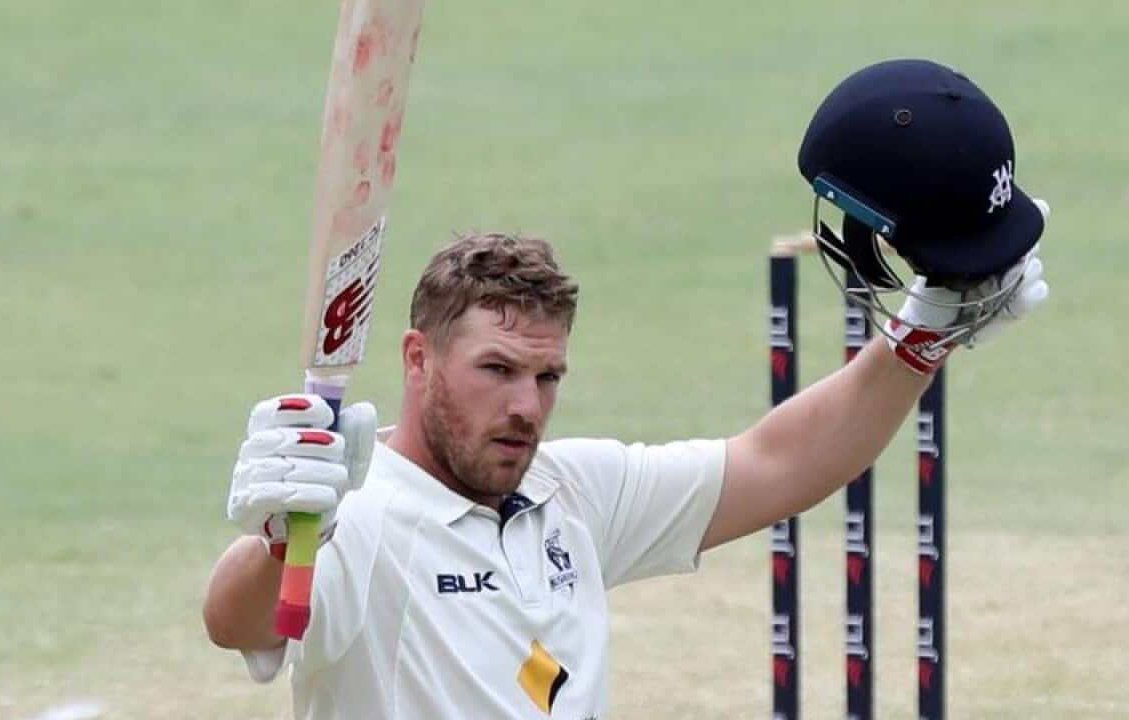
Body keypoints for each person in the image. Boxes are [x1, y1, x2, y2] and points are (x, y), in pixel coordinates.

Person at [202, 59, 1050, 719]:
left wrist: (919, 340)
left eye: (548, 376)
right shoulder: (358, 516)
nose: (526, 406)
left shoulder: (571, 494)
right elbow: (235, 622)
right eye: (497, 370)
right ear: (418, 359)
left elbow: (781, 463)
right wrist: (279, 539)